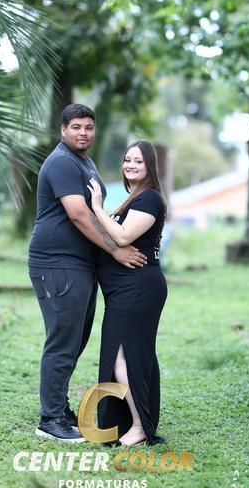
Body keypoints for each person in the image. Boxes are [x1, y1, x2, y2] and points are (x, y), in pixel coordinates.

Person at [28, 104, 147, 442]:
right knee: (63, 341)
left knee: (75, 340)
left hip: (79, 263)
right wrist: (115, 249)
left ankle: (58, 407)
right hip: (57, 262)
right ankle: (50, 420)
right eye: (76, 127)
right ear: (63, 129)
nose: (83, 133)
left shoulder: (84, 162)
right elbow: (79, 215)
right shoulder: (62, 162)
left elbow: (96, 211)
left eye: (89, 127)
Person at [88, 140, 168, 446]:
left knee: (122, 355)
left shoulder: (150, 198)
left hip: (138, 289)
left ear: (150, 166)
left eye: (138, 161)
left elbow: (122, 236)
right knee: (134, 353)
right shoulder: (134, 199)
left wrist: (97, 208)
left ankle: (139, 426)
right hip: (124, 290)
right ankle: (133, 421)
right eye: (127, 160)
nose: (130, 165)